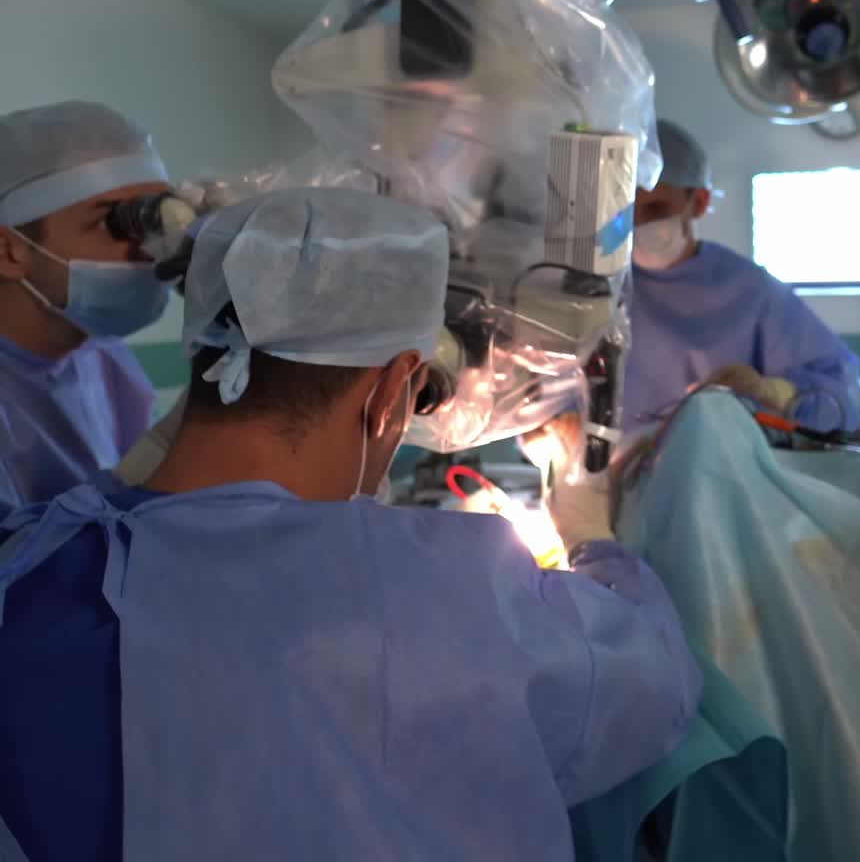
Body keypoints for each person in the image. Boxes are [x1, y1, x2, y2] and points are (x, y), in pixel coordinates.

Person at [0, 187, 700, 861]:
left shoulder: (31, 571)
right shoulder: (463, 597)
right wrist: (591, 533)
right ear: (394, 390)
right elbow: (656, 679)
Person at [624, 118, 860, 434]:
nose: (638, 223)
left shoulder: (749, 290)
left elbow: (841, 397)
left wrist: (775, 392)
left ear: (699, 202)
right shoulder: (602, 287)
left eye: (655, 209)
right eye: (628, 210)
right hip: (613, 474)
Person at [0, 101, 171, 508]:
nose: (150, 249)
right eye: (113, 222)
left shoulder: (104, 355)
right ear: (8, 251)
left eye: (155, 219)